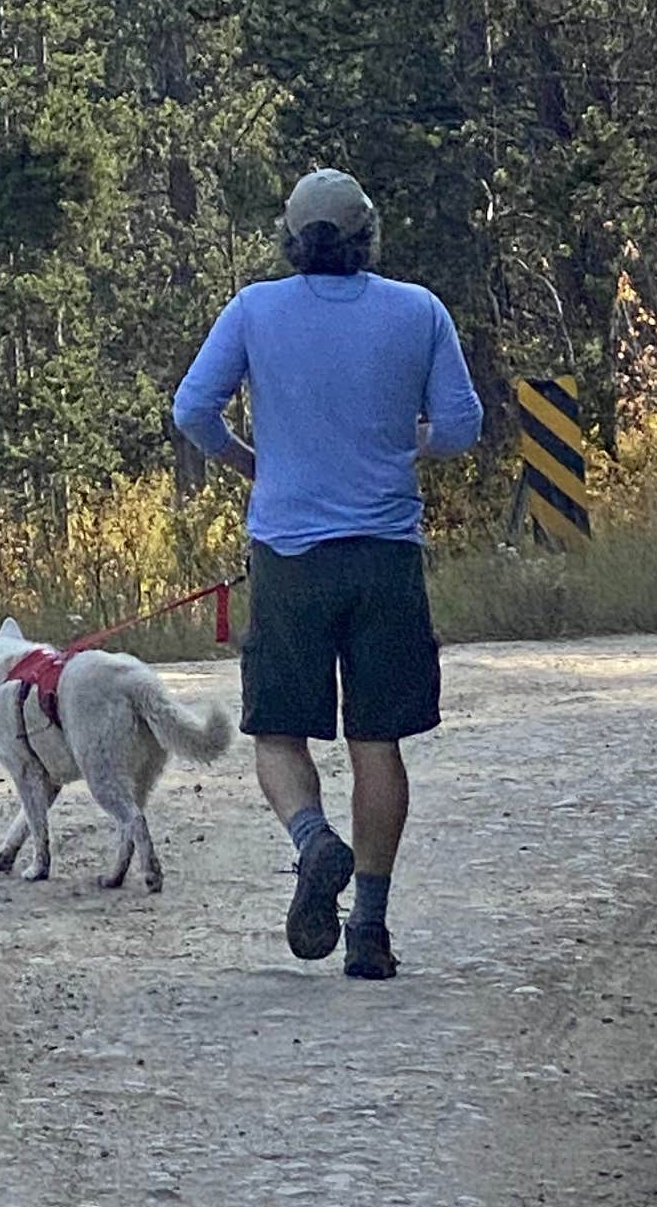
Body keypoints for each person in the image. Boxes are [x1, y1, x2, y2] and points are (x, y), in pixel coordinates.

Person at [171, 167, 484, 979]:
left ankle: (313, 841)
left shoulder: (254, 309)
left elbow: (191, 410)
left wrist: (250, 462)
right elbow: (462, 426)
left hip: (289, 556)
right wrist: (407, 444)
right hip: (385, 557)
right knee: (377, 740)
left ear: (290, 239)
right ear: (367, 238)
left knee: (278, 730)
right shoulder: (418, 311)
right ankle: (370, 930)